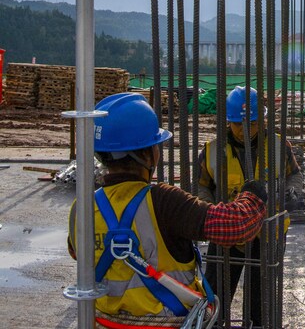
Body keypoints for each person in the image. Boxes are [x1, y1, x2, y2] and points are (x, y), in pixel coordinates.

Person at [68, 92, 267, 328]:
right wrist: (252, 196)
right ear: (147, 154)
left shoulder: (81, 207)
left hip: (103, 322)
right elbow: (235, 226)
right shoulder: (164, 202)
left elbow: (77, 253)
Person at [197, 86, 304, 329]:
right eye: (238, 124)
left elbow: (294, 175)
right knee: (216, 297)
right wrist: (209, 207)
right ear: (229, 121)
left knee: (261, 300)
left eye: (254, 123)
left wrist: (293, 190)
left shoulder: (279, 146)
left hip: (268, 234)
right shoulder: (213, 150)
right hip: (227, 233)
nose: (246, 129)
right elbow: (201, 185)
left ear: (263, 119)